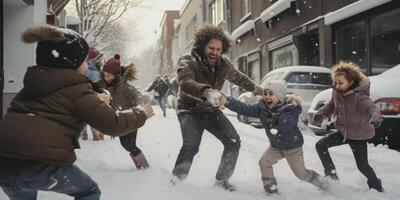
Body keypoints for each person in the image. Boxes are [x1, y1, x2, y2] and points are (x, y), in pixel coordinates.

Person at [0, 24, 154, 200]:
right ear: (71, 63)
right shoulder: (77, 90)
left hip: (4, 163)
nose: (87, 64)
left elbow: (54, 105)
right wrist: (141, 113)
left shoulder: (30, 87)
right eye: (84, 60)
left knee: (23, 187)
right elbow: (112, 124)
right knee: (88, 191)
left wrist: (94, 100)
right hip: (41, 164)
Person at [171, 25, 263, 191]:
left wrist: (260, 91)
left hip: (211, 111)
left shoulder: (223, 64)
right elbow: (185, 82)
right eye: (211, 48)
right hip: (190, 110)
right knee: (191, 145)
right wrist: (205, 91)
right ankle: (176, 182)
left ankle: (222, 181)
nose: (214, 52)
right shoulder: (188, 61)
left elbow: (240, 79)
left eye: (218, 49)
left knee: (233, 141)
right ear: (202, 46)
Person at [219, 80, 328, 194]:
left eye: (271, 94)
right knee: (264, 162)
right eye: (265, 94)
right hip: (276, 146)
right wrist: (227, 101)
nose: (267, 97)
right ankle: (271, 189)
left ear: (280, 96)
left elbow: (284, 125)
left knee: (301, 174)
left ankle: (323, 183)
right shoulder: (262, 108)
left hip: (292, 147)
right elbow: (245, 109)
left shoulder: (291, 109)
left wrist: (274, 115)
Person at [314, 61, 384, 192]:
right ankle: (331, 176)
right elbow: (331, 105)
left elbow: (372, 109)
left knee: (362, 166)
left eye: (341, 83)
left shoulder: (359, 96)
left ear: (350, 82)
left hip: (358, 134)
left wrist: (375, 118)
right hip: (343, 132)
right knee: (320, 145)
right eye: (335, 82)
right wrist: (320, 113)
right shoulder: (337, 93)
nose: (337, 86)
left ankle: (376, 186)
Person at [96, 56, 150, 169]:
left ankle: (145, 166)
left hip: (132, 118)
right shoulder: (105, 84)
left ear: (116, 75)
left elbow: (138, 96)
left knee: (130, 145)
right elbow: (93, 86)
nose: (106, 78)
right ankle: (141, 166)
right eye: (104, 75)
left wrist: (139, 107)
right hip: (121, 120)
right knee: (125, 145)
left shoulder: (126, 87)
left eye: (109, 76)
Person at [81, 46, 105, 141]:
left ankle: (86, 133)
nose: (100, 61)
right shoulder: (88, 68)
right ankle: (85, 133)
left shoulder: (94, 67)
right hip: (87, 93)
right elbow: (95, 77)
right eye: (97, 59)